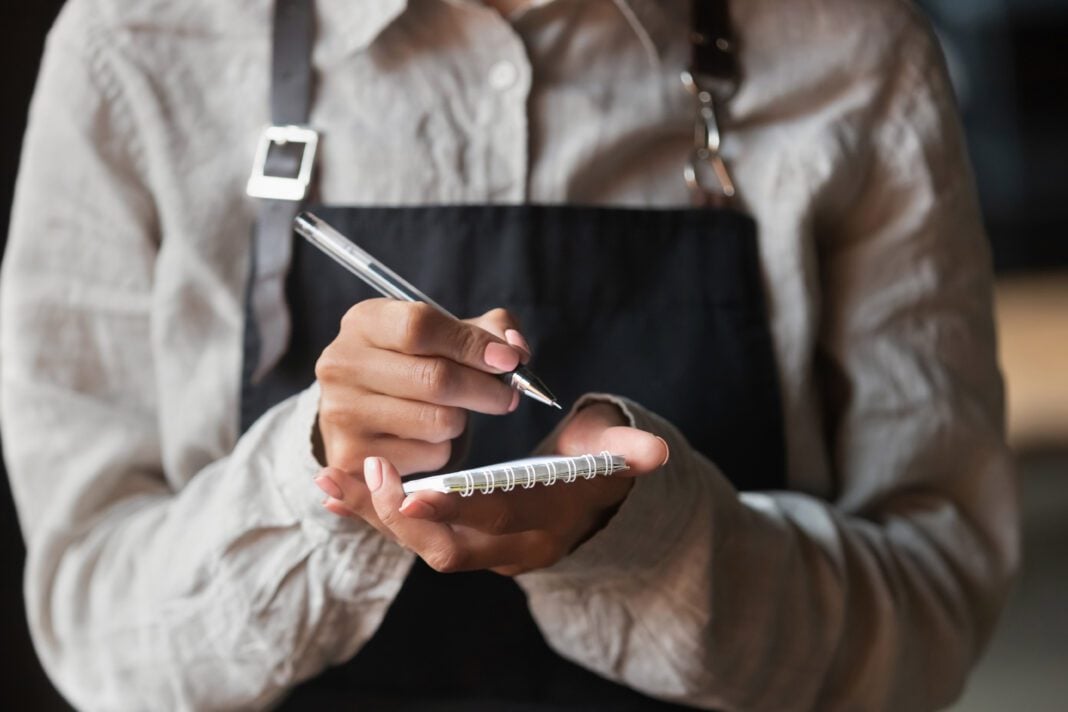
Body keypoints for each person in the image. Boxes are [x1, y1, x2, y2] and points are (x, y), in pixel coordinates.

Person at [1, 0, 1017, 709]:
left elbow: (927, 615)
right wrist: (315, 473)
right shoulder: (134, 44)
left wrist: (641, 540)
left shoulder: (858, 50)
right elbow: (96, 634)